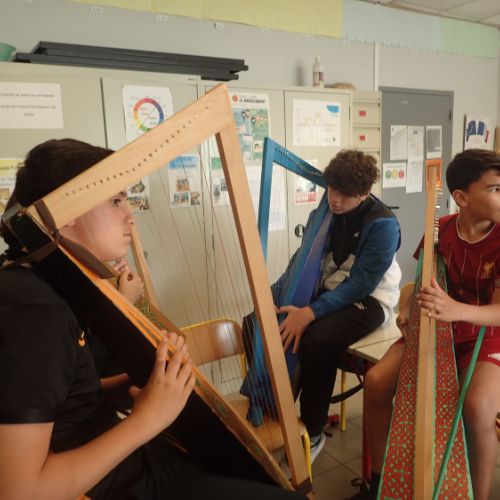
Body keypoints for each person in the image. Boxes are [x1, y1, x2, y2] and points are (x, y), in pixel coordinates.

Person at [0, 138, 307, 500]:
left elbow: (66, 402)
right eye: (116, 200)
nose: (130, 215)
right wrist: (147, 419)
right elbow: (20, 491)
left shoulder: (40, 283)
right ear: (65, 212)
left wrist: (144, 382)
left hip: (128, 461)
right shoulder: (36, 311)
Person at [351, 149, 500, 500]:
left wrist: (455, 309)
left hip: (487, 333)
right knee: (376, 381)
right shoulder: (442, 229)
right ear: (461, 197)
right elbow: (417, 283)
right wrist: (405, 309)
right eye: (494, 189)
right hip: (437, 325)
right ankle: (378, 481)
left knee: (477, 405)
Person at [274, 149, 401, 461]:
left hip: (371, 300)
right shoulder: (323, 214)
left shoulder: (383, 225)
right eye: (332, 189)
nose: (335, 199)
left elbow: (361, 284)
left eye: (345, 194)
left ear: (365, 193)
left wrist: (309, 313)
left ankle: (313, 431)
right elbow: (302, 261)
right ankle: (274, 413)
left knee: (318, 338)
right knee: (258, 322)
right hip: (330, 294)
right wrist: (273, 296)